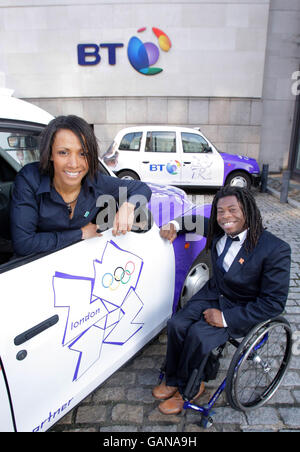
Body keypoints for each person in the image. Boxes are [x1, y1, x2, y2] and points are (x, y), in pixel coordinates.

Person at [152, 185, 291, 415]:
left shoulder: (275, 250)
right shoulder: (218, 230)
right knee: (176, 324)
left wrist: (225, 318)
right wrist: (175, 224)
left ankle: (191, 388)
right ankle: (174, 378)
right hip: (214, 292)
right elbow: (195, 220)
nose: (226, 216)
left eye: (233, 210)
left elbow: (274, 303)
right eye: (220, 211)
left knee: (198, 335)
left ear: (247, 211)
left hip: (243, 306)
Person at [10, 115, 152, 256]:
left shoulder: (96, 181)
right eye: (63, 153)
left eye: (83, 154)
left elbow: (141, 188)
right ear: (50, 154)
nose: (74, 164)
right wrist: (80, 234)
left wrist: (128, 206)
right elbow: (24, 244)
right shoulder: (30, 179)